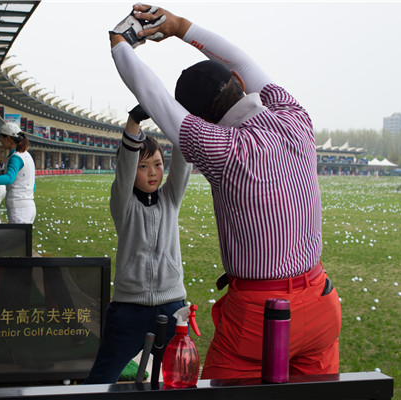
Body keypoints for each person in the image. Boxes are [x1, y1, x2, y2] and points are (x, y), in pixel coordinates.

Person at [108, 4, 341, 380]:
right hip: (320, 300)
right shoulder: (295, 115)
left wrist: (120, 45)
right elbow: (246, 64)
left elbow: (157, 100)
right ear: (236, 82)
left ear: (200, 119)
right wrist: (182, 27)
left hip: (258, 312)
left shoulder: (220, 148)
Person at [84, 105, 192, 384]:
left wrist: (180, 114)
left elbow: (182, 158)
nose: (152, 172)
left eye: (157, 164)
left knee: (180, 379)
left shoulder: (170, 199)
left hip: (172, 306)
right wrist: (133, 122)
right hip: (128, 310)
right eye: (143, 167)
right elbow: (126, 164)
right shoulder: (123, 203)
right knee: (100, 380)